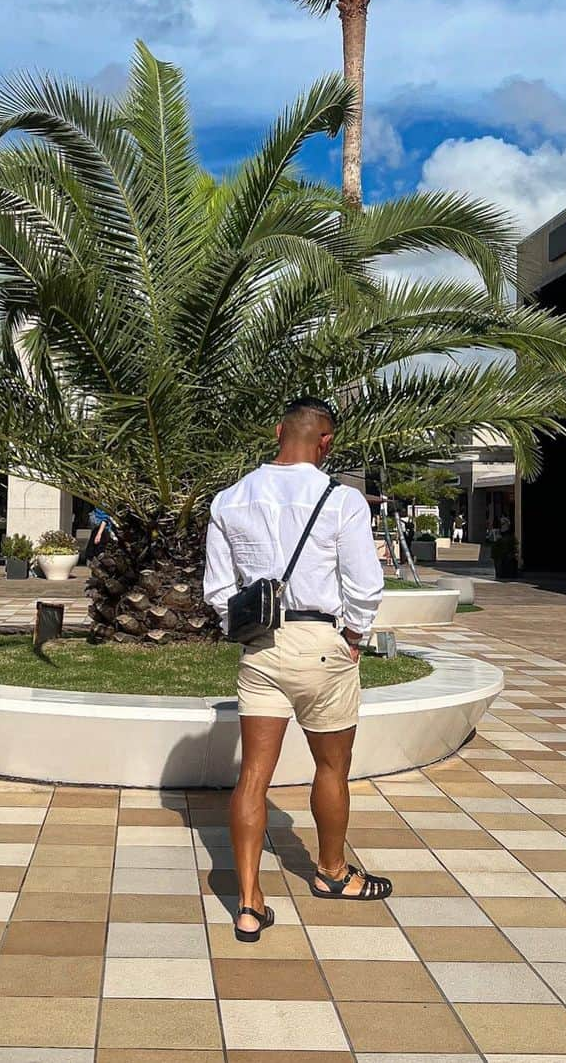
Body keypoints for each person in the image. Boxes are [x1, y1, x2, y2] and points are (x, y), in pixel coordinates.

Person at [204, 395, 391, 942]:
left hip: (260, 646)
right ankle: (332, 874)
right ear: (326, 442)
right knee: (331, 768)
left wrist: (243, 629)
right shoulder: (342, 500)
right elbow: (365, 583)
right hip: (321, 642)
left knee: (253, 777)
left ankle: (248, 902)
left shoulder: (230, 499)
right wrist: (352, 637)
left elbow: (218, 591)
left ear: (278, 431)